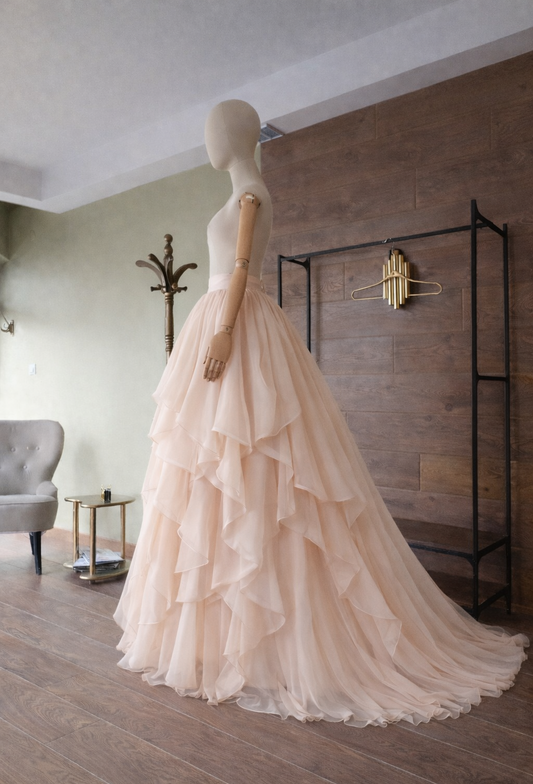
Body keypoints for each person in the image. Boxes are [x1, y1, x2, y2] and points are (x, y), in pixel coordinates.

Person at [114, 99, 528, 727]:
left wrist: (223, 333)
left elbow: (243, 269)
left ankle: (272, 641)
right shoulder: (242, 193)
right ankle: (225, 636)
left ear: (237, 135)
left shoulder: (252, 194)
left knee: (259, 463)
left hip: (238, 327)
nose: (206, 141)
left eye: (212, 131)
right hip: (225, 325)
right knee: (220, 472)